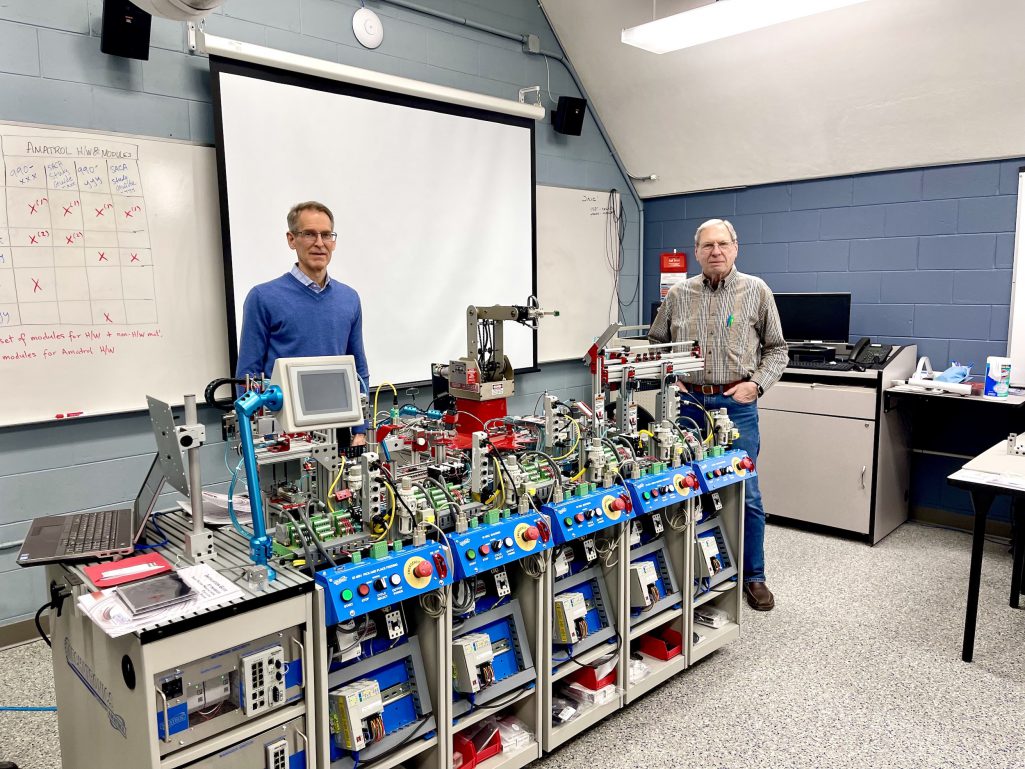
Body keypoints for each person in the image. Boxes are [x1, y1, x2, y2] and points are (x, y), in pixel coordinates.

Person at [648, 218, 787, 611]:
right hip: (688, 406)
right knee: (683, 489)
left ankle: (754, 577)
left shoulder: (756, 291)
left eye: (722, 244)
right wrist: (669, 379)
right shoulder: (678, 294)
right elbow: (655, 345)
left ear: (735, 248)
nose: (716, 252)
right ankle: (690, 570)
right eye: (708, 246)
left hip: (736, 405)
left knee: (748, 493)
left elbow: (778, 349)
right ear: (697, 252)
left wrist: (756, 385)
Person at [235, 201, 369, 445]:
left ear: (334, 241)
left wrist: (360, 430)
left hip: (337, 429)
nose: (320, 243)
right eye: (309, 234)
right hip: (283, 435)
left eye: (326, 234)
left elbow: (358, 368)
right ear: (291, 239)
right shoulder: (263, 297)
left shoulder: (349, 298)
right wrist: (256, 435)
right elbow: (248, 373)